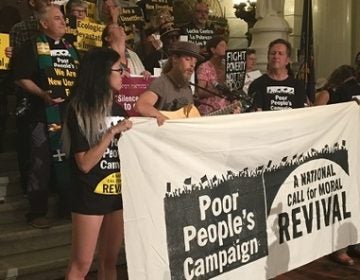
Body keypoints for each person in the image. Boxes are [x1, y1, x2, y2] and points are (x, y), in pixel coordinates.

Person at [63, 47, 132, 280]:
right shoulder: (78, 110)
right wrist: (111, 132)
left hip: (116, 193)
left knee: (110, 261)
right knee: (81, 265)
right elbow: (84, 163)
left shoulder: (120, 109)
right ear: (103, 73)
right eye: (119, 69)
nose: (123, 74)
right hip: (89, 194)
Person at [12, 4, 79, 228]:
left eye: (63, 18)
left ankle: (67, 207)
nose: (63, 22)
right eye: (57, 18)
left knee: (69, 161)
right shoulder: (32, 46)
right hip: (41, 115)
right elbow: (20, 77)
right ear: (44, 23)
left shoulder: (72, 47)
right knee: (40, 164)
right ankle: (37, 212)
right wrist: (42, 94)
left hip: (68, 115)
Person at [314, 64, 360, 265]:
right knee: (345, 195)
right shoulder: (344, 90)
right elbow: (322, 111)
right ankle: (339, 246)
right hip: (346, 148)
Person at [135, 41, 204, 125]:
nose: (192, 65)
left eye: (195, 62)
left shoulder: (187, 88)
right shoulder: (162, 83)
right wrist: (165, 120)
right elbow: (141, 105)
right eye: (188, 59)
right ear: (175, 59)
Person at [248, 38, 307, 111]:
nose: (276, 57)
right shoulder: (257, 84)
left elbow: (302, 113)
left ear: (288, 60)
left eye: (280, 53)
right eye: (273, 53)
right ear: (268, 57)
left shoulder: (298, 86)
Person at [196, 36, 232, 115]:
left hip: (228, 109)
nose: (226, 48)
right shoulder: (204, 67)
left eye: (226, 46)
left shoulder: (228, 66)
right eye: (222, 46)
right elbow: (201, 92)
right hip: (210, 110)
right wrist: (218, 90)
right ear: (213, 50)